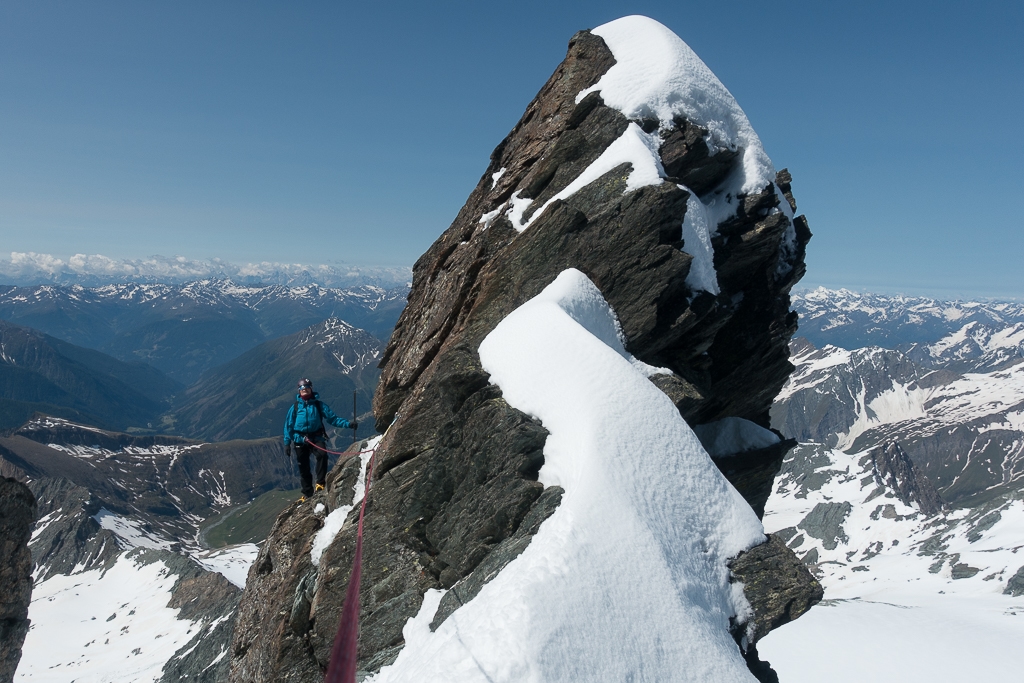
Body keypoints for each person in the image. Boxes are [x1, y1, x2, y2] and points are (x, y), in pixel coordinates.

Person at [283, 378, 357, 499]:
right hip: (300, 439)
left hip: (316, 437)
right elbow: (288, 426)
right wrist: (287, 443)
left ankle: (320, 484)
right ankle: (307, 493)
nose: (304, 390)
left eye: (307, 388)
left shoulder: (318, 405)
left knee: (322, 455)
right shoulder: (295, 408)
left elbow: (333, 419)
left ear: (311, 389)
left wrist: (348, 424)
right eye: (302, 389)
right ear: (299, 391)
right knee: (303, 467)